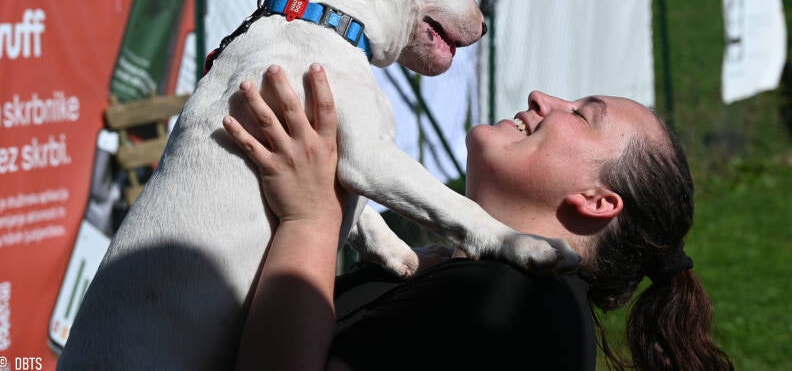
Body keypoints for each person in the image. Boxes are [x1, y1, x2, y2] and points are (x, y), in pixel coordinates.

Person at [224, 64, 734, 371]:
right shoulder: (473, 281)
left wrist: (309, 220)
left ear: (598, 201)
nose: (542, 98)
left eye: (580, 115)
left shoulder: (517, 305)